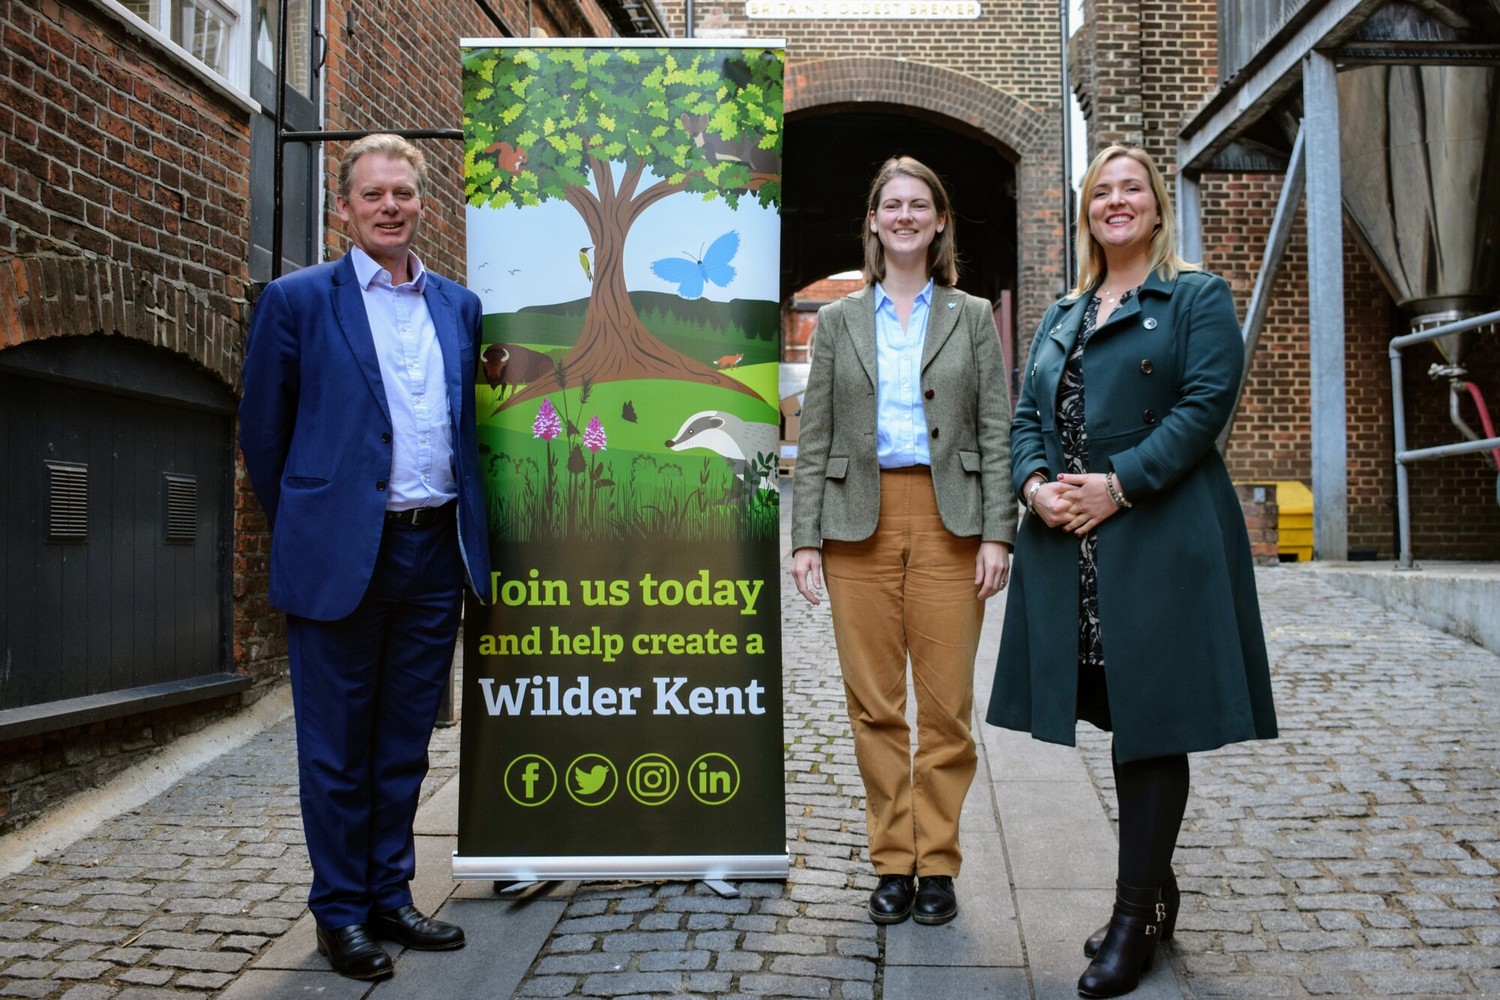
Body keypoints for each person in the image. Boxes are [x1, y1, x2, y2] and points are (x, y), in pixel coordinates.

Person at [987, 144, 1278, 998]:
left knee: (1150, 721)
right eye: (1101, 192)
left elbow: (1201, 412)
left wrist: (1117, 487)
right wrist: (1035, 486)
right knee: (1114, 706)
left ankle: (1132, 919)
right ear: (1086, 213)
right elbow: (1026, 416)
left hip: (1152, 538)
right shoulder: (1060, 312)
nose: (1117, 202)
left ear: (1156, 207)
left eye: (1131, 190)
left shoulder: (1196, 297)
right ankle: (1157, 884)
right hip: (1067, 545)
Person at [239, 134, 491, 981]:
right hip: (345, 558)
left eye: (405, 194)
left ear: (424, 205)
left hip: (432, 553)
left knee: (404, 743)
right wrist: (320, 527)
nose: (391, 206)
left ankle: (390, 895)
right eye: (374, 194)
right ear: (343, 207)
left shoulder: (457, 306)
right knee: (336, 748)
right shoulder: (297, 300)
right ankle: (340, 913)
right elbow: (264, 437)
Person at [791, 155, 1015, 928]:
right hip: (858, 525)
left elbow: (995, 423)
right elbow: (813, 432)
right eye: (893, 204)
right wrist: (806, 539)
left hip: (950, 520)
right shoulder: (840, 321)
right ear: (876, 221)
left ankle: (939, 863)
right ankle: (893, 861)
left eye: (920, 204)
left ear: (940, 219)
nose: (906, 215)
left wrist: (998, 532)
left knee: (947, 706)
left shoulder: (972, 315)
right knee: (875, 706)